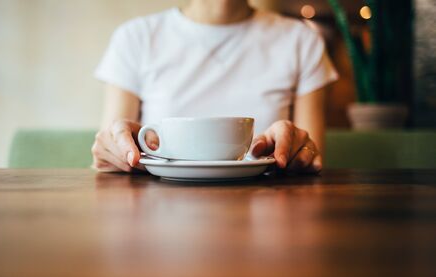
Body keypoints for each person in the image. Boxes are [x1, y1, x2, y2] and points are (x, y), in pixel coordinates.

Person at [92, 0, 338, 173]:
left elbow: (310, 156)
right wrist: (113, 151)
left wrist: (300, 150)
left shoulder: (301, 41)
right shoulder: (135, 37)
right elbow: (113, 148)